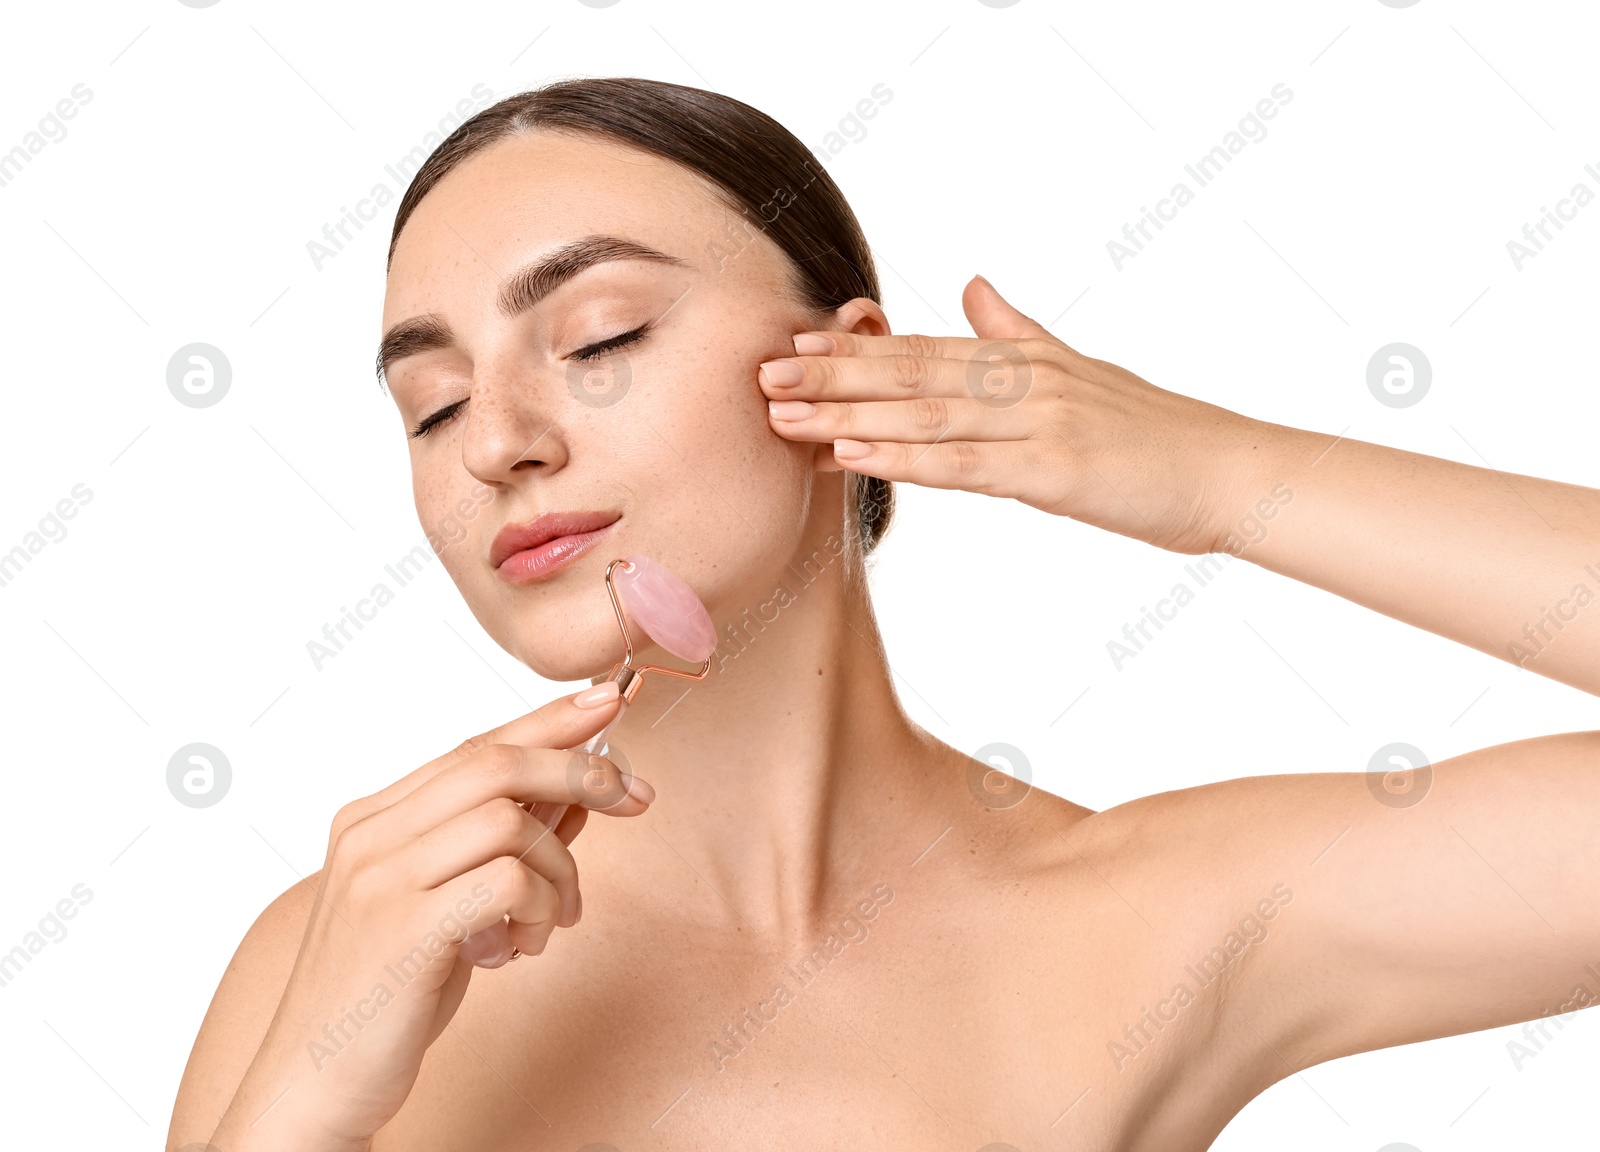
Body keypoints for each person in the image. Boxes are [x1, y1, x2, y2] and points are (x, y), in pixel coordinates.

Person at [168, 77, 1600, 1151]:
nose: (498, 442)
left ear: (851, 371)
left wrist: (1217, 476)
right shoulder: (352, 951)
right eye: (433, 404)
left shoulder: (1153, 923)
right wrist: (301, 1098)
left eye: (598, 339)